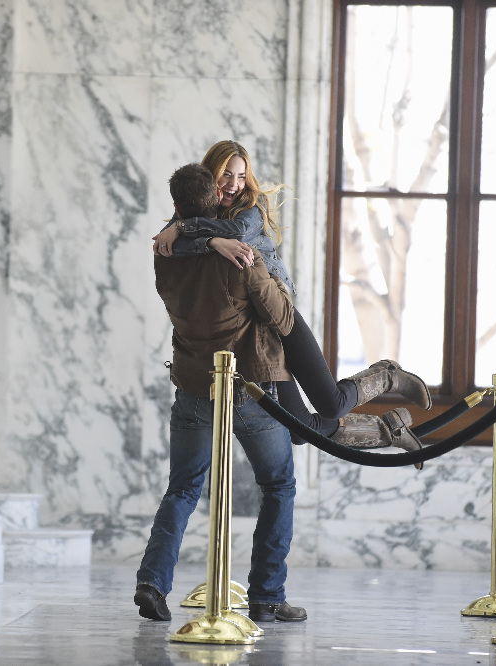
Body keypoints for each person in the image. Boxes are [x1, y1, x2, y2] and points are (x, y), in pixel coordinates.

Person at [151, 141, 430, 463]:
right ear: (208, 177)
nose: (233, 184)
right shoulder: (191, 218)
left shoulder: (248, 210)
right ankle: (388, 430)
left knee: (332, 405)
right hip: (254, 336)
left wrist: (188, 229)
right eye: (226, 175)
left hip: (279, 313)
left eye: (241, 176)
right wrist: (199, 235)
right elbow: (170, 248)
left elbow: (238, 235)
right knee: (299, 430)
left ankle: (388, 375)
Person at [135, 163, 305, 624]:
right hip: (250, 389)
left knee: (183, 488)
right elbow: (285, 320)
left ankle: (151, 582)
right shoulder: (241, 257)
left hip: (193, 387)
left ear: (177, 209)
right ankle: (267, 597)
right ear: (216, 199)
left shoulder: (165, 252)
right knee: (278, 485)